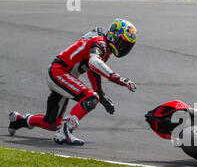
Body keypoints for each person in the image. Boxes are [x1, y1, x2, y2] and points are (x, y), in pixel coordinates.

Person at [8, 19, 137, 146]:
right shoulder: (100, 42)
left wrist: (101, 95)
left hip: (63, 74)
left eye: (127, 46)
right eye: (122, 43)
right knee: (91, 98)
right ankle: (65, 131)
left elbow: (93, 70)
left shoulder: (105, 48)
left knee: (52, 123)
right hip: (59, 72)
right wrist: (117, 78)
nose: (124, 48)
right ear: (114, 36)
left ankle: (20, 120)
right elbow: (94, 62)